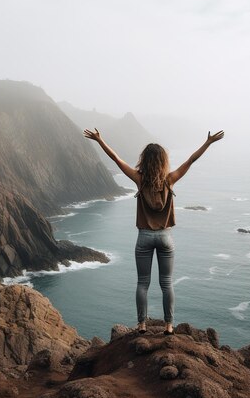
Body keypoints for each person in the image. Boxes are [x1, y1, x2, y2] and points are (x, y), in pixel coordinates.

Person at [83, 128, 224, 335]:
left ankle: (141, 324)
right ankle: (168, 325)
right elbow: (191, 160)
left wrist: (100, 140)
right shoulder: (170, 180)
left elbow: (115, 159)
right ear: (163, 161)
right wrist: (208, 143)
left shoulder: (139, 180)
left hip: (144, 237)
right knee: (166, 284)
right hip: (166, 237)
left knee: (142, 283)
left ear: (145, 161)